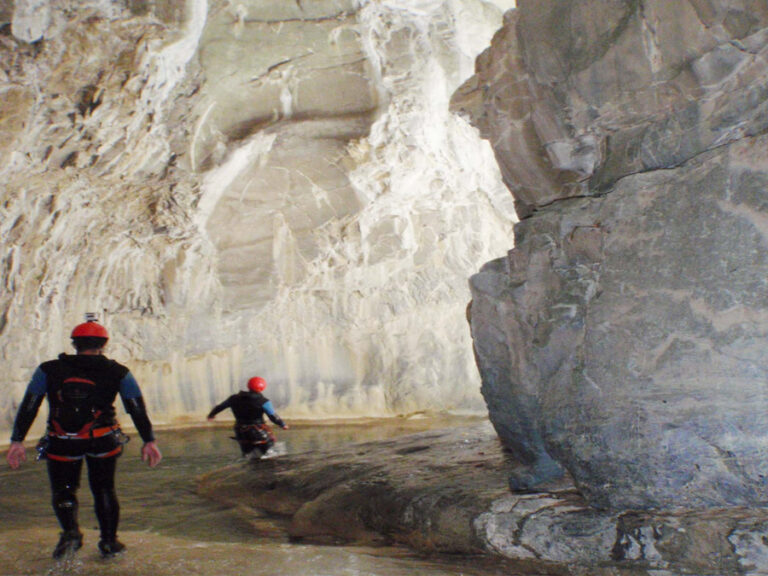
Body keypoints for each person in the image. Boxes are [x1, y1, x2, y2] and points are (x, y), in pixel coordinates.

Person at [5, 318, 162, 559]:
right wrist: (148, 440)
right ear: (104, 344)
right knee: (104, 489)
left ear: (74, 343)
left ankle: (71, 533)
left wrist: (17, 440)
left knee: (64, 490)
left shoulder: (48, 369)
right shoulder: (118, 372)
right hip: (102, 439)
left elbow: (30, 404)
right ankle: (109, 542)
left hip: (62, 439)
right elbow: (136, 407)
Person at [207, 376, 289, 457]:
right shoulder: (263, 402)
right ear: (262, 388)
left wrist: (211, 415)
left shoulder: (233, 398)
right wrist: (282, 424)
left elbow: (220, 407)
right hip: (259, 431)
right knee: (268, 451)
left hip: (240, 431)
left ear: (248, 386)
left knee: (247, 454)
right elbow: (273, 416)